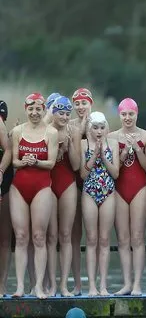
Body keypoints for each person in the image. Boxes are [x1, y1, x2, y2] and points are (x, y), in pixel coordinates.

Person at [9, 93, 58, 299]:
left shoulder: (51, 132)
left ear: (44, 109)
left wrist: (35, 161)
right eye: (31, 109)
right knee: (21, 237)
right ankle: (20, 286)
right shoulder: (18, 131)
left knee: (39, 237)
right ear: (26, 109)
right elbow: (14, 161)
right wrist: (24, 161)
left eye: (38, 109)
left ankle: (38, 285)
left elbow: (51, 163)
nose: (35, 113)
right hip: (19, 187)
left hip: (42, 186)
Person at [113, 98, 146, 295]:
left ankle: (137, 284)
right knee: (122, 239)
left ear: (136, 114)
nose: (127, 118)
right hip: (119, 190)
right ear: (119, 115)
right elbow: (113, 170)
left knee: (137, 237)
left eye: (131, 114)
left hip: (140, 188)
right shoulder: (111, 137)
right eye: (124, 114)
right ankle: (127, 283)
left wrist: (137, 148)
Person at [81, 112, 120, 296]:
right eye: (95, 128)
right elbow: (82, 175)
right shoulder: (83, 144)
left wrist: (103, 157)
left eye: (102, 127)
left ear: (106, 128)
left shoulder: (112, 144)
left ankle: (103, 285)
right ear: (89, 128)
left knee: (104, 240)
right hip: (89, 191)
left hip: (108, 192)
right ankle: (92, 286)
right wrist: (94, 155)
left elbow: (116, 174)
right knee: (91, 240)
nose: (98, 131)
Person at [46, 96, 81, 296]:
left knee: (65, 235)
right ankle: (51, 284)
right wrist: (56, 148)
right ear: (53, 112)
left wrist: (69, 147)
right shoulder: (47, 130)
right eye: (61, 113)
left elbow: (76, 166)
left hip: (68, 181)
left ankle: (63, 285)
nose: (65, 117)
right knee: (51, 236)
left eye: (68, 114)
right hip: (49, 182)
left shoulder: (73, 132)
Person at [69, 87, 94, 294]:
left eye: (84, 103)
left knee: (95, 237)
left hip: (94, 184)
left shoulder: (99, 123)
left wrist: (87, 127)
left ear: (91, 104)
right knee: (75, 236)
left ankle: (95, 284)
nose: (80, 107)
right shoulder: (69, 125)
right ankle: (77, 283)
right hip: (74, 182)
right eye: (76, 103)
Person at [0, 100, 13, 295]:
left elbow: (9, 149)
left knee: (4, 237)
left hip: (4, 179)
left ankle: (1, 284)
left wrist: (1, 170)